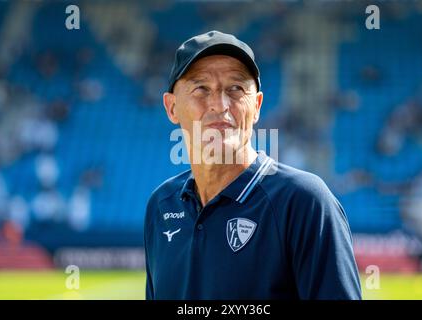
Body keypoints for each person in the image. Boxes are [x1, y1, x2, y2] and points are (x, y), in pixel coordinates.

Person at [144, 30, 361, 300]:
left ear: (257, 106)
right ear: (171, 107)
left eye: (235, 89)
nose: (220, 104)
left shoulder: (305, 202)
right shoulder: (161, 205)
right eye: (201, 88)